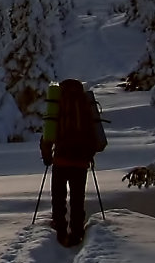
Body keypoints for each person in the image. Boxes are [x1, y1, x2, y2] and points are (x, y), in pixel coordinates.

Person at [40, 78, 108, 245]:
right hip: (80, 163)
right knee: (78, 199)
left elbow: (48, 135)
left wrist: (47, 157)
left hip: (60, 160)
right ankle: (77, 232)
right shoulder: (85, 105)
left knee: (58, 198)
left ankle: (60, 229)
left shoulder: (58, 104)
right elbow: (94, 135)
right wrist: (88, 154)